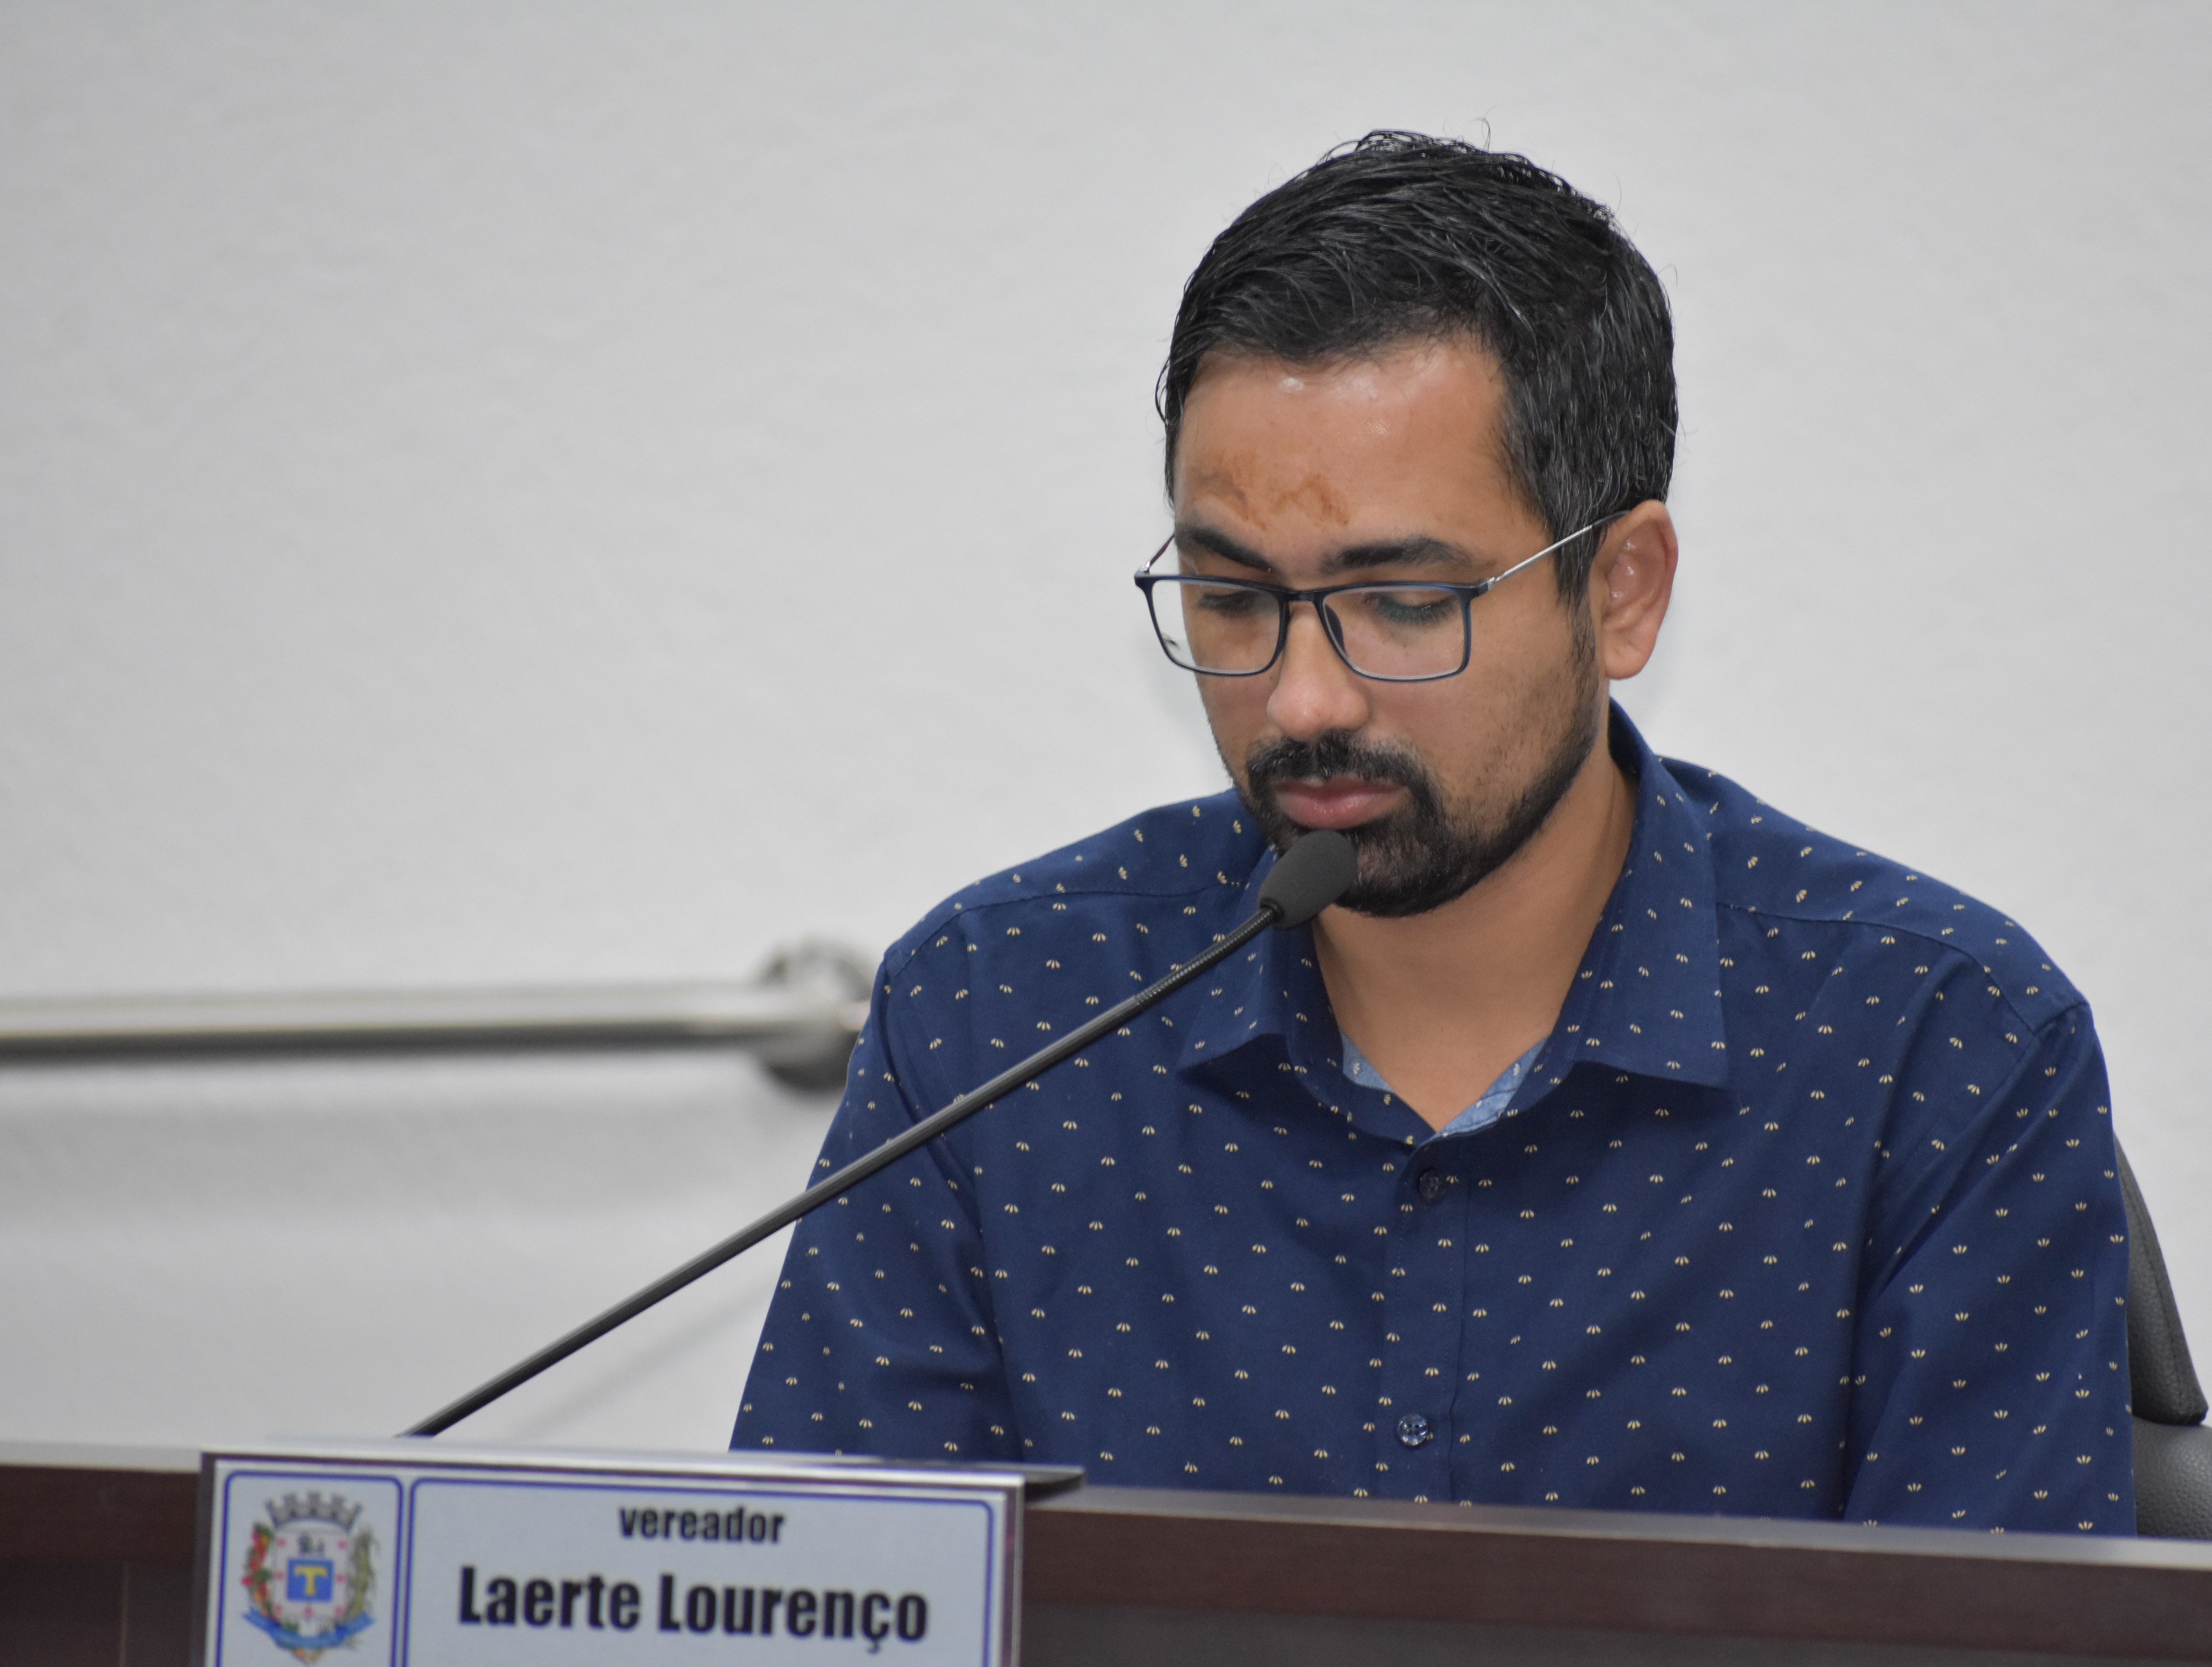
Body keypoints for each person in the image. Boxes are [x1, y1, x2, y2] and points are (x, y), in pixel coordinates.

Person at [734, 133, 2133, 1533]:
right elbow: (829, 1619)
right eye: (1234, 599)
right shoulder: (999, 1017)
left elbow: (1990, 1655)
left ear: (1622, 591)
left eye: (1405, 604)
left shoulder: (1936, 1044)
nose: (1303, 700)